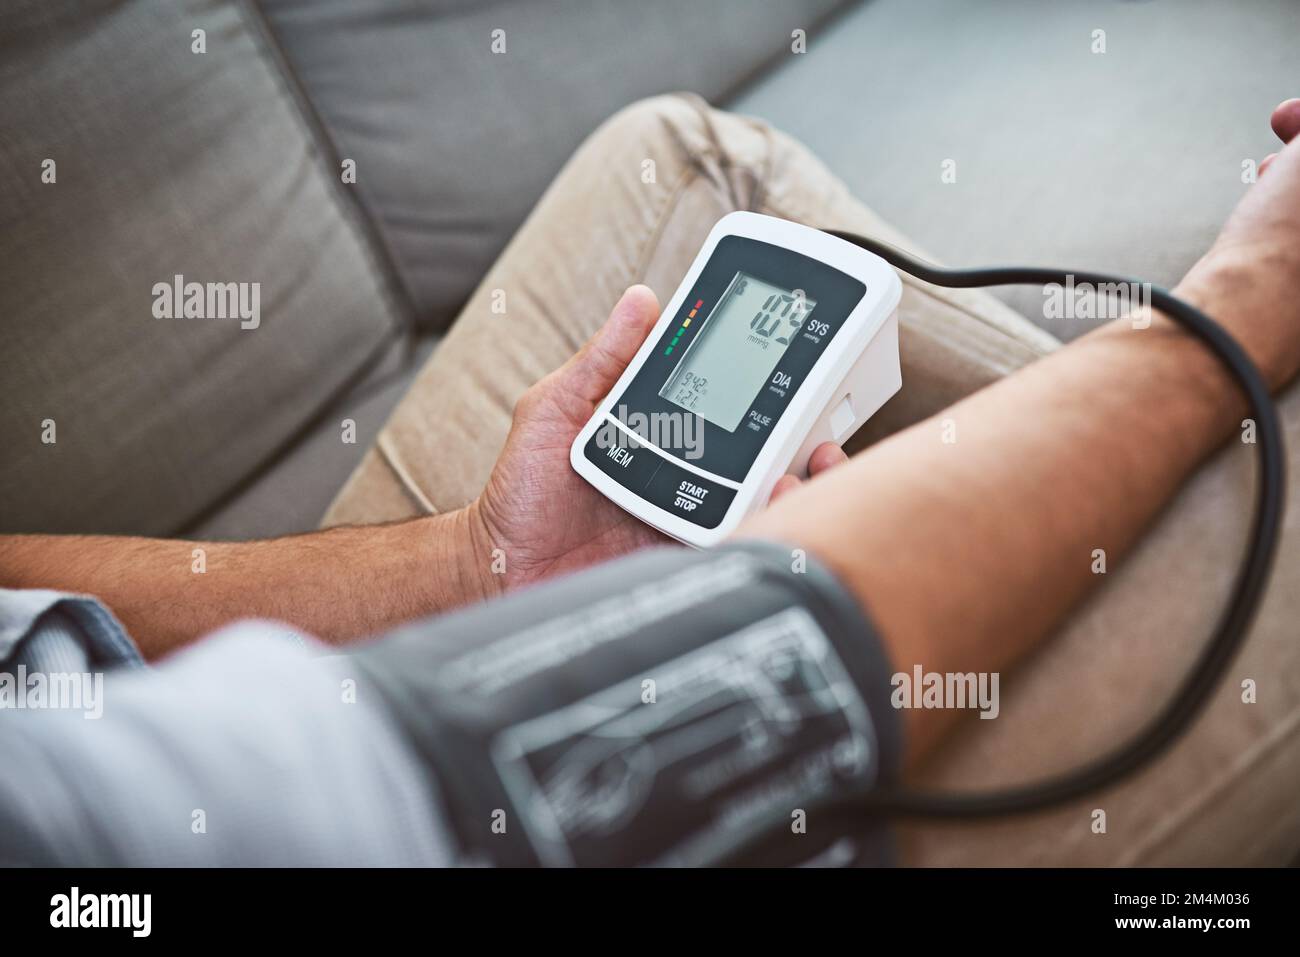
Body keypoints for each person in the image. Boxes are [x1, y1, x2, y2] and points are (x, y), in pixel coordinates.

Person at [2, 95, 1299, 866]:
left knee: (682, 162)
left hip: (250, 719)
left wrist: (480, 566)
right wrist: (1245, 295)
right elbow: (644, 732)